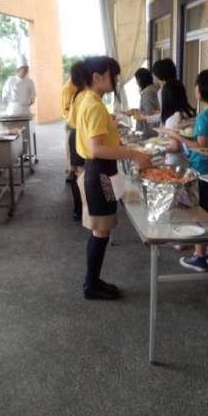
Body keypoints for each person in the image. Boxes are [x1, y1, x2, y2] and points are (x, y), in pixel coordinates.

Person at [75, 56, 152, 300]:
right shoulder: (95, 105)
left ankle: (93, 280)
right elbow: (97, 148)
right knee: (100, 231)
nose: (117, 80)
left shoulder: (88, 99)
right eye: (113, 75)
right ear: (97, 77)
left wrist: (111, 127)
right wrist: (133, 154)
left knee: (100, 230)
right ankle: (91, 285)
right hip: (100, 172)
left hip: (98, 171)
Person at [164, 69, 208, 272]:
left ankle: (199, 256)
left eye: (197, 84)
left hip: (201, 169)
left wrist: (177, 135)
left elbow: (201, 146)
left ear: (202, 90)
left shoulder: (204, 117)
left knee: (198, 213)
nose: (195, 88)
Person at [136, 79, 196, 166]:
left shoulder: (173, 119)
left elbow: (175, 147)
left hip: (175, 163)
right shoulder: (191, 113)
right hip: (188, 162)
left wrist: (156, 149)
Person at [66, 62, 89, 220]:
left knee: (78, 173)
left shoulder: (78, 94)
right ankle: (81, 209)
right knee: (81, 173)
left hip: (75, 134)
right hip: (81, 136)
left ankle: (78, 209)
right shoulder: (85, 95)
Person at [130, 68, 160, 136]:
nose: (136, 83)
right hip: (155, 125)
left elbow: (149, 112)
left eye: (137, 80)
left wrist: (135, 113)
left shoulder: (147, 92)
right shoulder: (154, 88)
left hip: (149, 128)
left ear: (140, 80)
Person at [61, 79, 78, 183]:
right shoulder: (69, 88)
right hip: (71, 121)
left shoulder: (75, 86)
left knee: (72, 146)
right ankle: (71, 170)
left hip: (74, 120)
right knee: (70, 146)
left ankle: (72, 169)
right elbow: (67, 107)